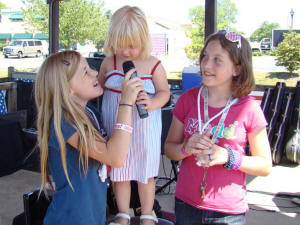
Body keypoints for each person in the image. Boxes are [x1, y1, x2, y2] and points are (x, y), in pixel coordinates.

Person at [164, 31, 272, 225]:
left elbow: (264, 165)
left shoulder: (249, 108)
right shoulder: (188, 99)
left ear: (237, 69)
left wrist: (228, 156)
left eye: (217, 60)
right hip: (186, 205)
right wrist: (185, 148)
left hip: (228, 213)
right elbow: (169, 149)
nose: (206, 65)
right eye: (205, 56)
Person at [35, 50, 144, 225]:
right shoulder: (64, 122)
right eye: (85, 72)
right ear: (67, 88)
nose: (95, 72)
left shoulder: (89, 113)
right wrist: (126, 101)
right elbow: (115, 156)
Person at [98, 5, 170, 225]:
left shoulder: (153, 64)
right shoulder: (109, 62)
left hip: (145, 128)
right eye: (121, 45)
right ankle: (122, 213)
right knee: (120, 171)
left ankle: (147, 212)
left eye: (132, 46)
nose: (126, 52)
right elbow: (98, 87)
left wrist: (152, 102)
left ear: (143, 40)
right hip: (116, 125)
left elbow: (164, 92)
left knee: (145, 171)